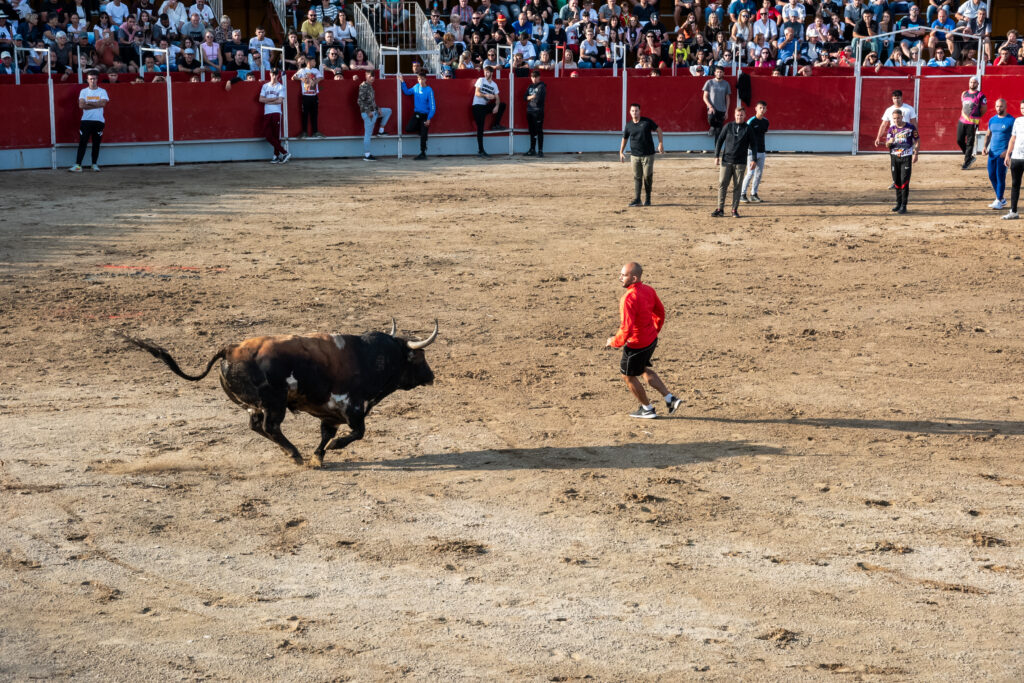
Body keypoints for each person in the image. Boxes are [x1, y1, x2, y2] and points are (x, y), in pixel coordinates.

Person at [605, 262, 684, 419]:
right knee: (641, 370)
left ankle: (647, 409)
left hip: (637, 345)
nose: (620, 277)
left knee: (628, 376)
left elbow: (626, 329)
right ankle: (670, 399)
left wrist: (613, 341)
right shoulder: (648, 290)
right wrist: (654, 330)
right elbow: (660, 312)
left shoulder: (628, 299)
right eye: (620, 274)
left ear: (634, 278)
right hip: (650, 340)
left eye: (624, 275)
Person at [619, 102, 663, 207]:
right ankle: (637, 199)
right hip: (635, 155)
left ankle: (648, 199)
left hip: (648, 155)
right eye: (633, 111)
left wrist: (660, 143)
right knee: (637, 177)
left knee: (647, 176)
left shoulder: (646, 122)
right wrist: (621, 151)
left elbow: (659, 129)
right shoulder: (629, 125)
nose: (635, 112)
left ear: (640, 111)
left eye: (636, 110)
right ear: (630, 112)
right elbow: (624, 138)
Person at [713, 106, 755, 218]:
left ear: (744, 116)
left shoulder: (748, 128)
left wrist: (754, 159)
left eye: (741, 115)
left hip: (740, 162)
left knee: (737, 186)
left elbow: (753, 144)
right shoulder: (728, 126)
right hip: (726, 160)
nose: (739, 117)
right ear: (734, 115)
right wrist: (716, 155)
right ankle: (720, 209)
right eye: (737, 115)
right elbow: (720, 140)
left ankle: (734, 210)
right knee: (722, 184)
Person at [69, 71, 108, 173]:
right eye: (90, 79)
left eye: (94, 79)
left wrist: (89, 103)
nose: (92, 81)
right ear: (87, 80)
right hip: (86, 121)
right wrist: (96, 103)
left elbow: (103, 104)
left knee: (96, 143)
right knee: (83, 142)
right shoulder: (83, 91)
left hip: (98, 121)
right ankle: (78, 165)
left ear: (97, 79)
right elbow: (81, 105)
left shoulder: (102, 91)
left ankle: (94, 164)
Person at [886, 107, 919, 214]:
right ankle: (898, 203)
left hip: (906, 157)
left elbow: (917, 140)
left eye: (898, 118)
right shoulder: (891, 129)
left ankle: (904, 205)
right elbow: (887, 144)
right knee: (896, 181)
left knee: (904, 181)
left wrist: (916, 154)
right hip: (894, 157)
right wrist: (890, 142)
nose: (896, 120)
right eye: (894, 119)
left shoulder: (910, 127)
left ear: (902, 117)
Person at [983, 98, 1014, 210]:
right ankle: (1001, 199)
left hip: (1002, 154)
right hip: (992, 153)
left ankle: (998, 200)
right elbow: (988, 135)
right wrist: (985, 147)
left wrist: (1007, 152)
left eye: (1000, 106)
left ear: (1005, 107)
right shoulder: (992, 120)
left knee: (1000, 177)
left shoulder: (1011, 120)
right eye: (997, 106)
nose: (998, 108)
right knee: (992, 176)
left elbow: (1014, 138)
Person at [472, 65, 507, 157]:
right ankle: (481, 150)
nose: (486, 74)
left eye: (488, 72)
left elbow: (498, 98)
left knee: (502, 105)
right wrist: (486, 96)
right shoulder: (481, 80)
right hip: (477, 107)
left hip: (484, 107)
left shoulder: (494, 85)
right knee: (480, 128)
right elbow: (477, 93)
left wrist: (496, 106)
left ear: (492, 73)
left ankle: (496, 124)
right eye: (485, 72)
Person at [357, 70, 392, 161]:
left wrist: (378, 108)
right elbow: (360, 101)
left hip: (374, 112)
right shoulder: (363, 86)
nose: (372, 78)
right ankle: (367, 155)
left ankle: (381, 130)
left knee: (388, 111)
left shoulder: (370, 86)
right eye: (370, 76)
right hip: (368, 114)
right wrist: (368, 111)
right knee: (367, 135)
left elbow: (371, 102)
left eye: (373, 76)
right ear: (366, 76)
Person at [401, 71, 436, 160]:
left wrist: (429, 118)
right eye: (419, 79)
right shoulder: (416, 87)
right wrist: (402, 82)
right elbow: (407, 92)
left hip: (425, 115)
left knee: (423, 135)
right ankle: (421, 129)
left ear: (426, 79)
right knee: (408, 128)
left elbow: (432, 107)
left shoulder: (429, 90)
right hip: (417, 114)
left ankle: (423, 153)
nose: (420, 81)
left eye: (422, 79)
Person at [259, 68, 290, 163]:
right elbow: (261, 99)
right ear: (270, 74)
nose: (274, 76)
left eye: (276, 74)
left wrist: (267, 100)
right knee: (267, 134)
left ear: (278, 75)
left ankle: (276, 156)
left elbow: (280, 101)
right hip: (267, 112)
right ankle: (284, 152)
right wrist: (273, 100)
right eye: (272, 74)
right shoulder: (265, 86)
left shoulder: (281, 87)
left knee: (276, 135)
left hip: (276, 112)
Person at [740, 100, 769, 203]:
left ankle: (753, 194)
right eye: (760, 108)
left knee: (758, 174)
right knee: (750, 173)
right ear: (756, 108)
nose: (762, 110)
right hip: (751, 151)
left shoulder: (766, 122)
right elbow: (745, 136)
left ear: (766, 109)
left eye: (764, 108)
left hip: (762, 150)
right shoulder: (751, 121)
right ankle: (742, 194)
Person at [957, 76, 986, 170]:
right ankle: (969, 157)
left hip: (972, 121)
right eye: (971, 82)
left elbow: (983, 109)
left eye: (974, 82)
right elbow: (963, 106)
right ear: (969, 83)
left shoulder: (981, 95)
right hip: (962, 120)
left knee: (970, 142)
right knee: (959, 140)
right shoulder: (964, 93)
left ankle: (967, 161)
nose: (972, 84)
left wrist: (976, 118)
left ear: (977, 84)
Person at [1002, 100, 1024, 220]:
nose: (1023, 110)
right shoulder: (1018, 121)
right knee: (1015, 185)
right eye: (1022, 108)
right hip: (1016, 157)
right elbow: (1013, 139)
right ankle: (1013, 211)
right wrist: (1008, 155)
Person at [293, 58, 324, 138]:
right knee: (305, 114)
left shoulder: (316, 70)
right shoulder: (302, 71)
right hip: (306, 95)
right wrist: (301, 79)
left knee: (314, 114)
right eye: (314, 61)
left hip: (314, 95)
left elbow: (321, 77)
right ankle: (304, 132)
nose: (315, 62)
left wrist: (316, 81)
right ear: (309, 62)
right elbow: (293, 77)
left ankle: (315, 132)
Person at [702, 65, 730, 142]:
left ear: (723, 73)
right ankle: (712, 126)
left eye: (721, 72)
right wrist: (710, 106)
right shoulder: (709, 82)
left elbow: (727, 98)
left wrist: (727, 111)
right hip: (712, 108)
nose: (719, 73)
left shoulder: (726, 84)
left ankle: (716, 151)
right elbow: (705, 97)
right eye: (717, 72)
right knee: (711, 119)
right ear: (714, 73)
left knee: (719, 132)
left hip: (722, 109)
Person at [524, 69, 546, 157]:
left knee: (539, 130)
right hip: (530, 111)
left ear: (539, 77)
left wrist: (530, 97)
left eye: (535, 77)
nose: (533, 79)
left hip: (538, 111)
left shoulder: (541, 86)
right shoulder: (530, 87)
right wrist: (532, 96)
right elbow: (524, 97)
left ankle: (540, 150)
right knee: (532, 131)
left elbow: (538, 99)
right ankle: (532, 149)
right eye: (532, 77)